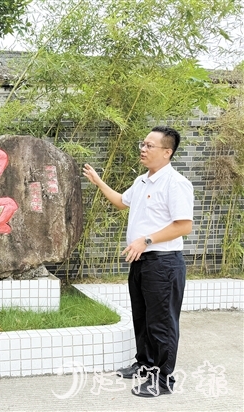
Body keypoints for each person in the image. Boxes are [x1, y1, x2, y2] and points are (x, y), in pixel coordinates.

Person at [82, 126, 193, 398]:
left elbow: (183, 226)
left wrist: (146, 240)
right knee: (142, 318)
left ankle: (163, 380)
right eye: (142, 144)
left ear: (167, 152)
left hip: (164, 263)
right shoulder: (143, 180)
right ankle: (144, 365)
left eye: (149, 146)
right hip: (142, 262)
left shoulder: (175, 183)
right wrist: (98, 181)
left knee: (161, 324)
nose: (143, 149)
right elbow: (122, 202)